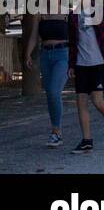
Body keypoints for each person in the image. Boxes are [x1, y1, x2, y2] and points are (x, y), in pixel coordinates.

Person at [67, 0, 104, 155]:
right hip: (82, 65)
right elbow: (73, 42)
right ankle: (87, 141)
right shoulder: (73, 15)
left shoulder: (99, 10)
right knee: (81, 101)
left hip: (99, 63)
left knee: (97, 101)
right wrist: (71, 65)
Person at [24, 10, 70, 147]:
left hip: (63, 55)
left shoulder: (68, 14)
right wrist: (27, 54)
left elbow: (76, 36)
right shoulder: (39, 15)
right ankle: (56, 131)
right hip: (46, 56)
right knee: (50, 94)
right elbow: (34, 37)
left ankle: (56, 132)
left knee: (54, 91)